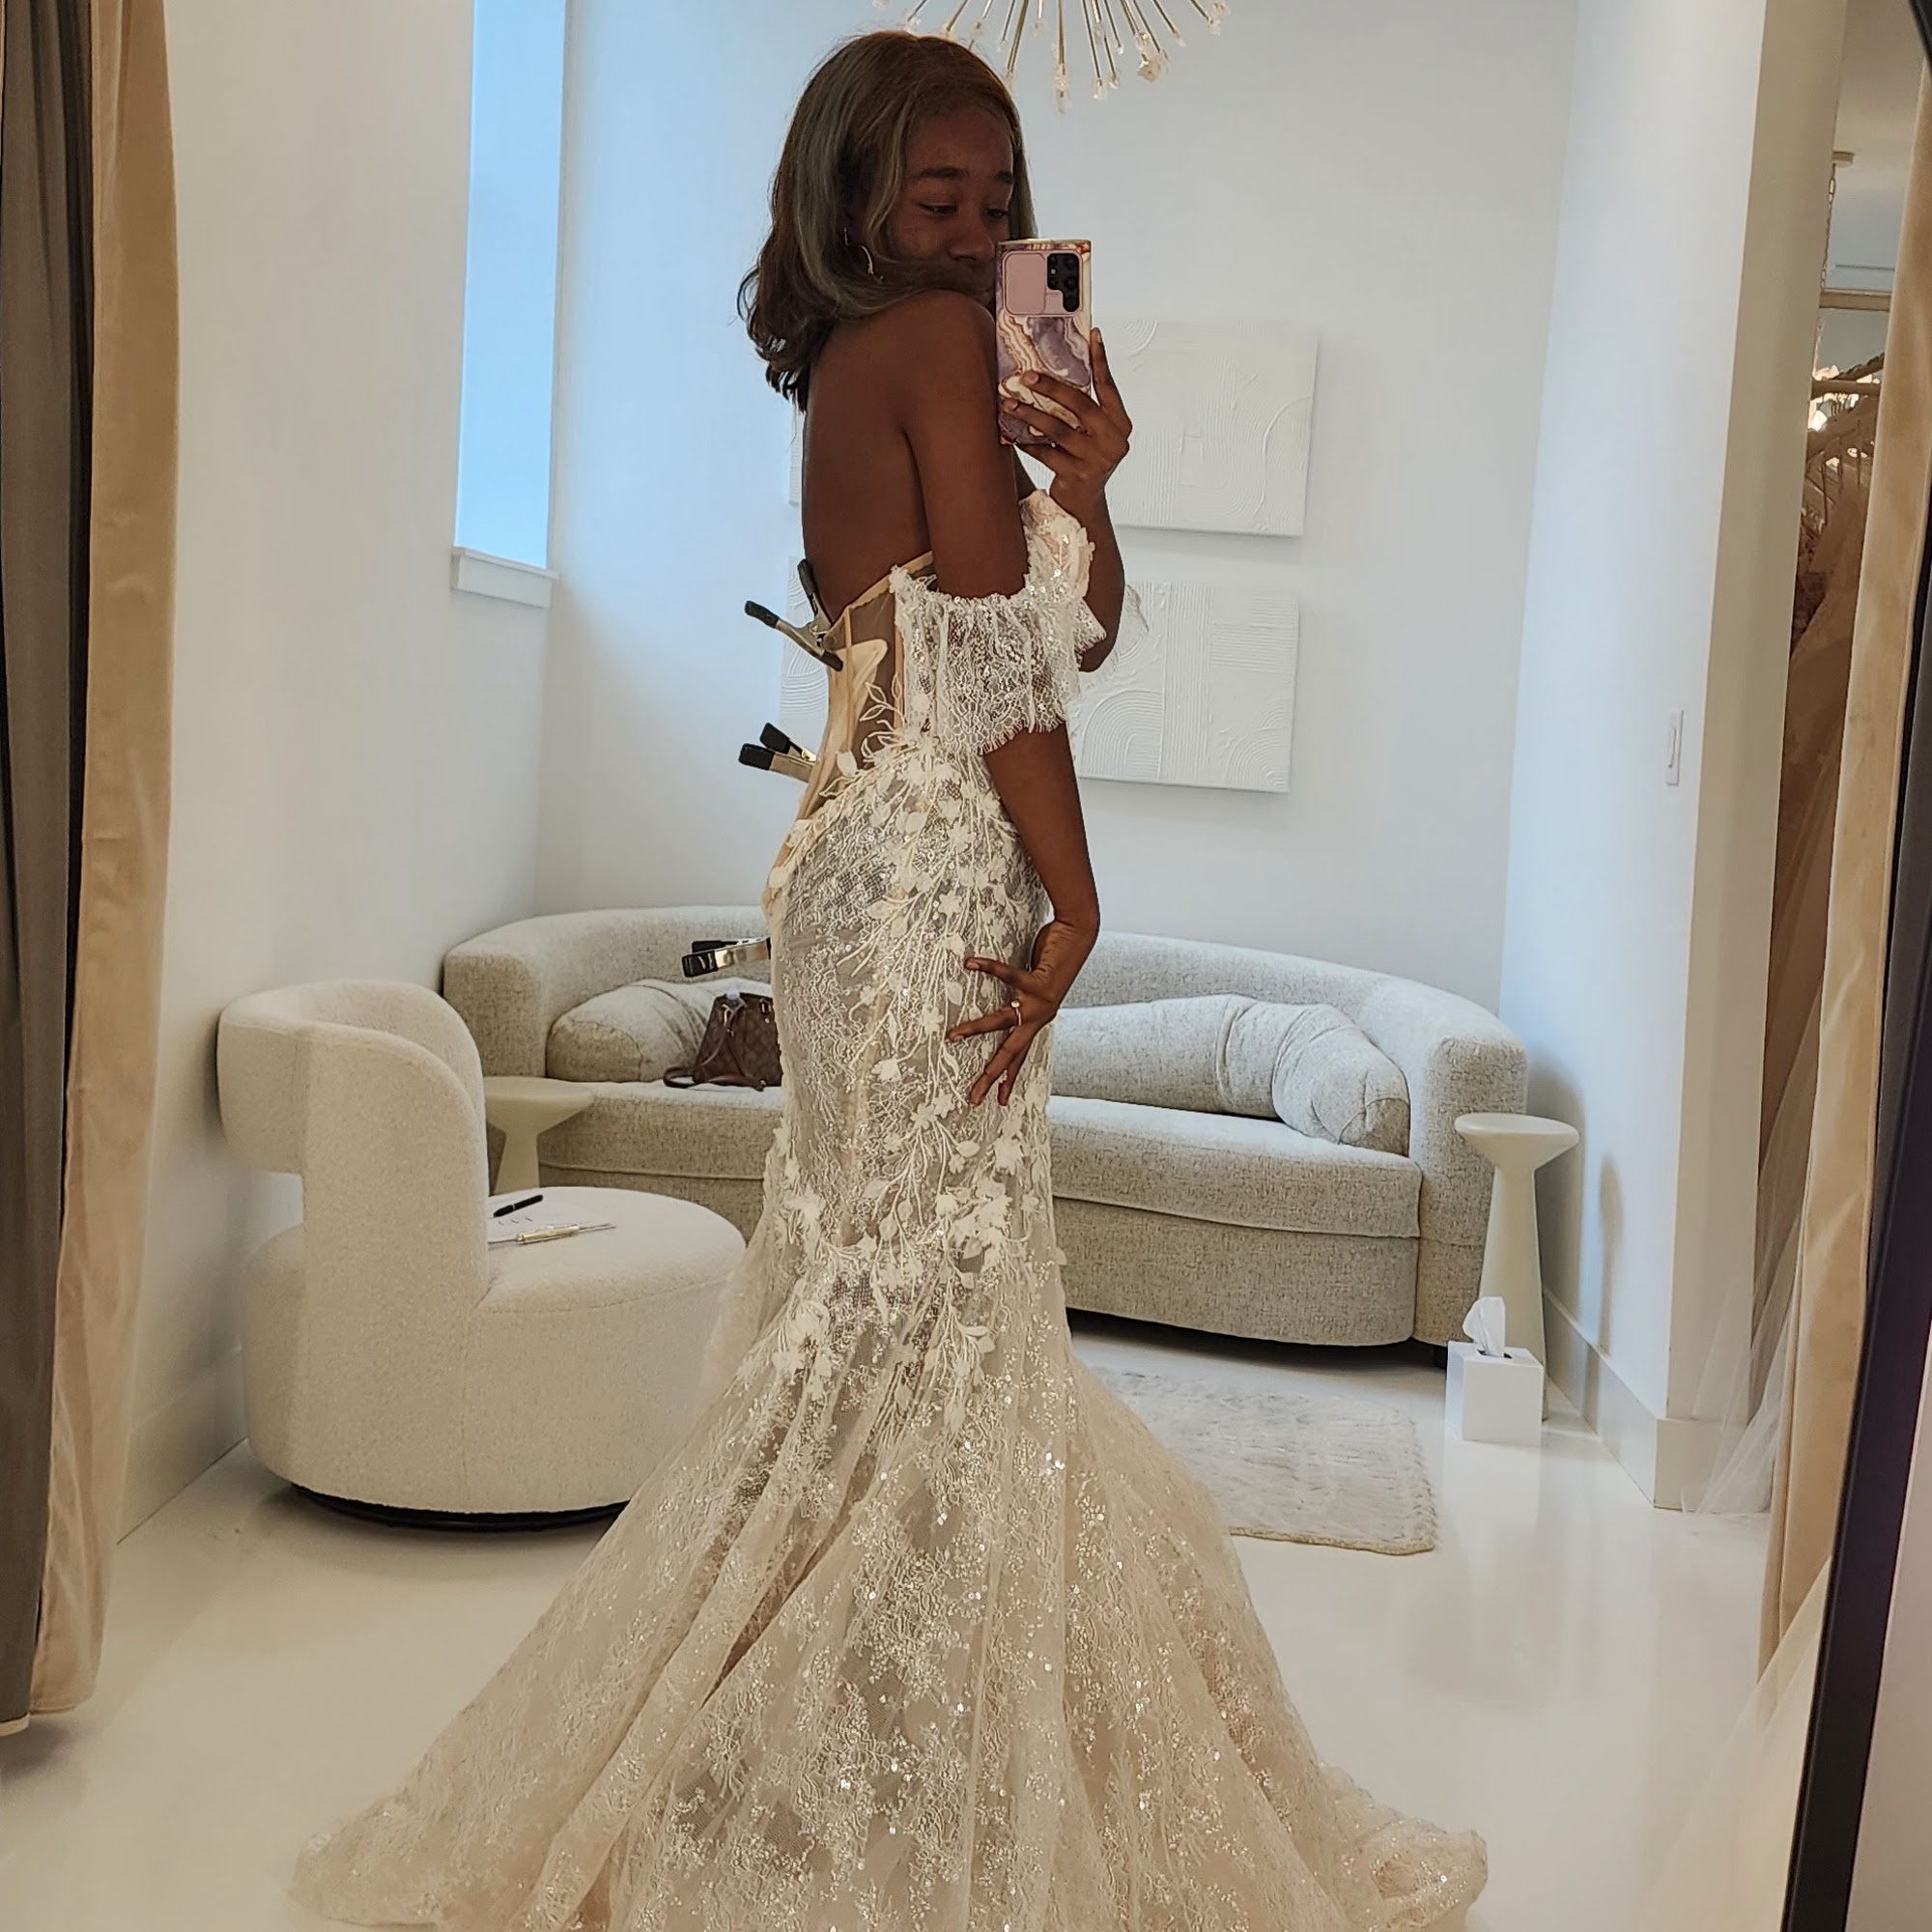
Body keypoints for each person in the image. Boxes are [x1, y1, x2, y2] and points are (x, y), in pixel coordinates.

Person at [293, 31, 1486, 1931]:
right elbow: (999, 671)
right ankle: (855, 1781)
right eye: (936, 197)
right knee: (921, 1334)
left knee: (910, 1333)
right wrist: (1078, 896)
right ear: (848, 201)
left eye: (998, 203)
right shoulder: (926, 343)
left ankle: (849, 1766)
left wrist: (1097, 479)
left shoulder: (891, 360)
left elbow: (1061, 628)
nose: (972, 232)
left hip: (890, 865)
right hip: (935, 872)